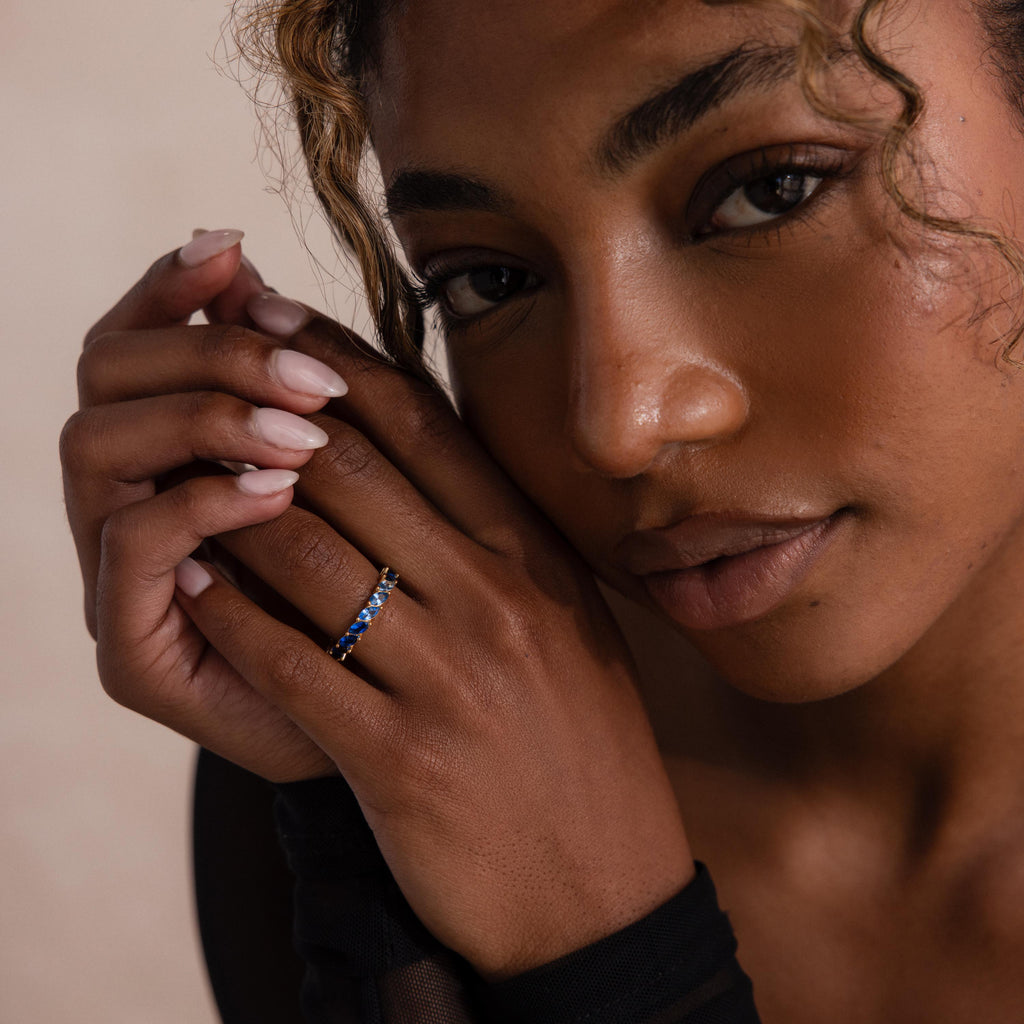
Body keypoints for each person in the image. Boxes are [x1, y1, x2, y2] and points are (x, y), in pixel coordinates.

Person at [59, 0, 1024, 1020]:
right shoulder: (415, 726)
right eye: (489, 278)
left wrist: (610, 958)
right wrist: (361, 843)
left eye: (769, 191)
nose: (617, 423)